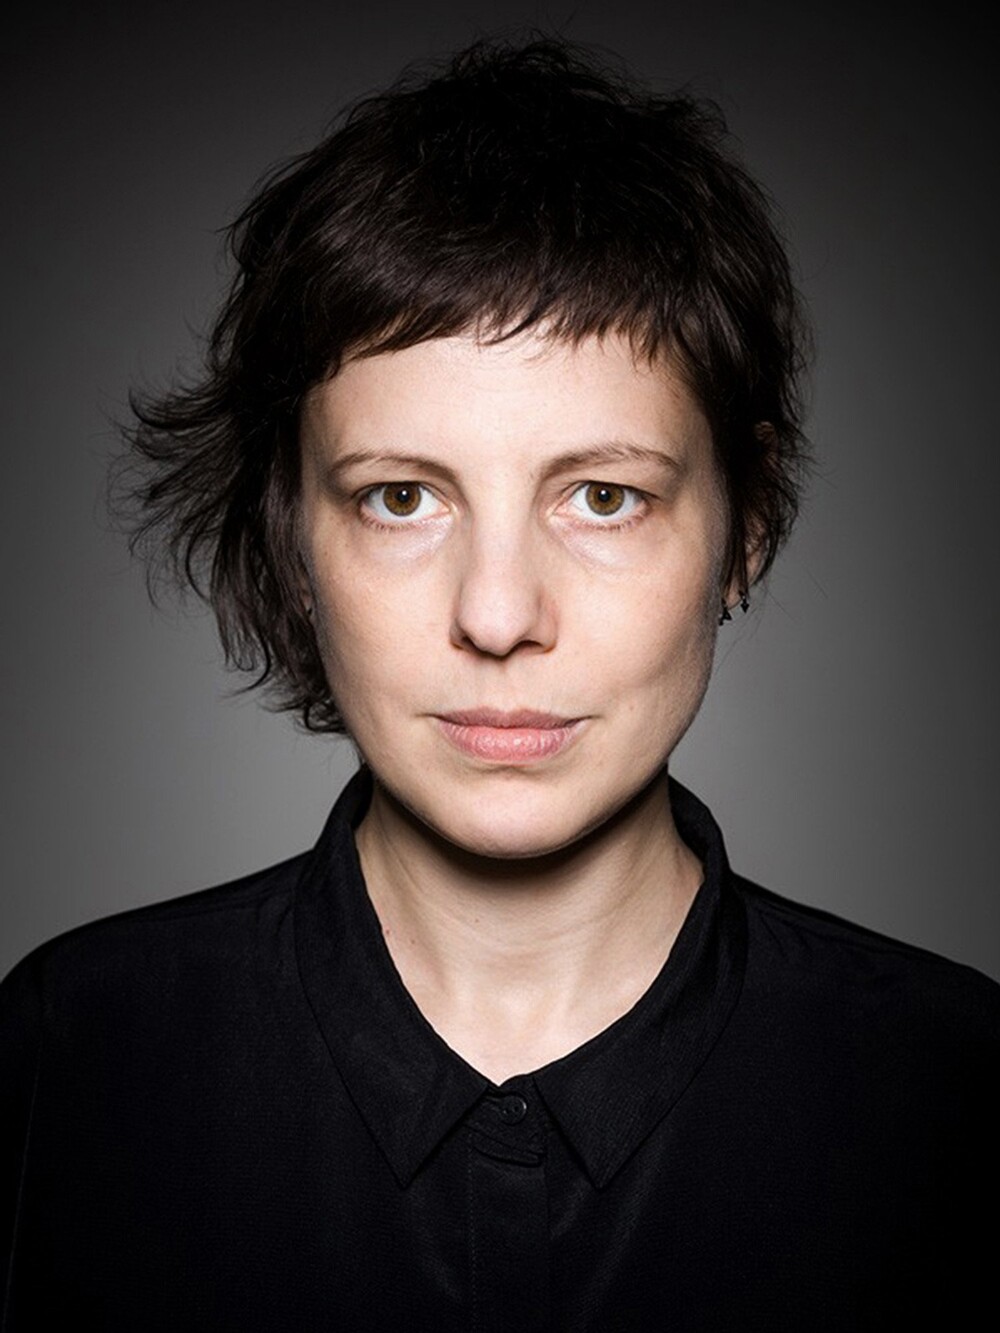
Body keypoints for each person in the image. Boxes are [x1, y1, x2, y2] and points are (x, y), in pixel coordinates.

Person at [1, 36, 996, 1331]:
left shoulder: (959, 1095)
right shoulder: (66, 1061)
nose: (498, 613)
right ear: (295, 534)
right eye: (402, 497)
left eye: (604, 496)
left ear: (744, 528)